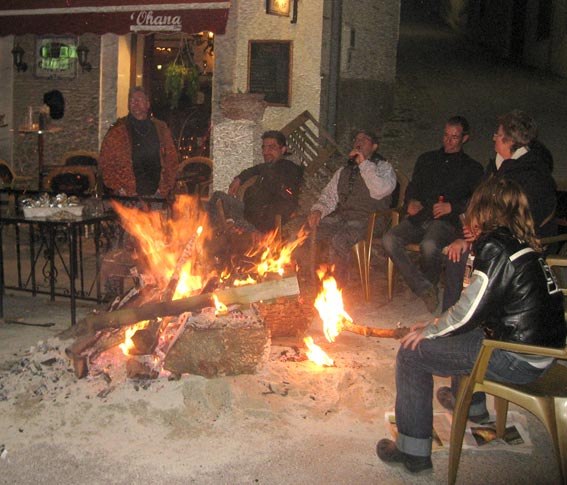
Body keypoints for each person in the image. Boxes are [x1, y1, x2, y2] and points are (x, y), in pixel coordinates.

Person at [376, 176, 566, 474]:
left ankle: (412, 452)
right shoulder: (522, 242)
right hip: (543, 349)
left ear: (484, 209)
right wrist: (437, 324)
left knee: (411, 354)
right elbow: (479, 310)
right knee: (453, 334)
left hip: (515, 356)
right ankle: (475, 409)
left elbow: (467, 312)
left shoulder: (495, 247)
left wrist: (430, 331)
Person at [442, 110, 557, 312]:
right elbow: (476, 203)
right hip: (492, 236)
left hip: (521, 243)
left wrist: (480, 234)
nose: (494, 137)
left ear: (509, 140)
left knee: (467, 257)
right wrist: (466, 233)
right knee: (456, 252)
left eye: (497, 134)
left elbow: (520, 220)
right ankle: (451, 316)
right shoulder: (496, 166)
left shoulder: (533, 174)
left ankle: (472, 318)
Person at [381, 116, 483, 313]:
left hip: (446, 221)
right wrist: (410, 202)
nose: (448, 141)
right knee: (389, 239)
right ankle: (426, 288)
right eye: (446, 135)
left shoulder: (472, 168)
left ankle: (428, 287)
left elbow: (476, 201)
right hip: (421, 216)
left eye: (454, 137)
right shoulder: (427, 159)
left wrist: (452, 207)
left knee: (429, 245)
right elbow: (413, 187)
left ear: (465, 138)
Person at [307, 129, 396, 284]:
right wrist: (318, 210)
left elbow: (379, 191)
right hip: (344, 217)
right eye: (357, 139)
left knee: (340, 239)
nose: (359, 142)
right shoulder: (344, 170)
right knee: (308, 230)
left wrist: (364, 164)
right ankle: (308, 282)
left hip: (371, 219)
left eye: (364, 139)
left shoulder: (384, 168)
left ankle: (337, 286)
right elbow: (329, 196)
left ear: (374, 146)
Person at [208, 130, 303, 233]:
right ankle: (213, 233)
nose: (265, 152)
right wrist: (239, 178)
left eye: (271, 147)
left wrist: (261, 230)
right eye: (264, 147)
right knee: (218, 196)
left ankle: (220, 234)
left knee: (232, 221)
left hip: (258, 223)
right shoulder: (269, 166)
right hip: (246, 212)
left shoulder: (288, 170)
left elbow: (285, 203)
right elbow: (256, 169)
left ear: (283, 149)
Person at [99, 86, 179, 198]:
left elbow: (172, 160)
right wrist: (119, 188)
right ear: (128, 104)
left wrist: (165, 187)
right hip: (128, 196)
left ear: (148, 104)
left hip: (157, 195)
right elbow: (106, 163)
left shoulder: (161, 128)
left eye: (139, 99)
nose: (135, 103)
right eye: (132, 100)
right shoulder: (117, 131)